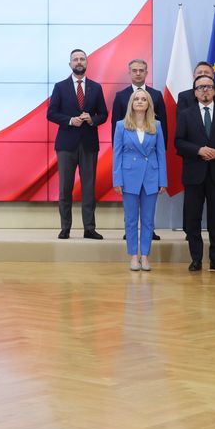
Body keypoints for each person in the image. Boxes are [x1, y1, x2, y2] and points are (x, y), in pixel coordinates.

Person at [174, 77, 215, 272]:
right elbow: (179, 142)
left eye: (209, 87)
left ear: (214, 91)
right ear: (195, 92)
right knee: (193, 219)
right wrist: (198, 150)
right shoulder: (185, 115)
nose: (205, 91)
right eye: (201, 88)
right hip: (194, 174)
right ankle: (196, 259)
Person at [47, 49, 108, 240]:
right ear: (70, 64)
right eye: (75, 59)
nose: (79, 62)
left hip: (89, 144)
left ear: (87, 63)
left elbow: (104, 114)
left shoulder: (96, 88)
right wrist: (69, 120)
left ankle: (89, 228)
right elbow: (51, 113)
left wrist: (92, 119)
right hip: (66, 144)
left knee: (89, 187)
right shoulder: (60, 87)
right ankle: (65, 227)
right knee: (65, 188)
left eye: (82, 59)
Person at [110, 58, 167, 242]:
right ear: (129, 72)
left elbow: (162, 128)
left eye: (141, 70)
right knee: (131, 202)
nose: (138, 73)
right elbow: (115, 130)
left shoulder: (156, 96)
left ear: (146, 72)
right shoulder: (120, 96)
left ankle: (150, 231)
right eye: (134, 70)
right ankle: (131, 231)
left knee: (149, 203)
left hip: (150, 157)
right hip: (130, 159)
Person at [112, 89, 167, 271]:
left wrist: (163, 180)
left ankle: (145, 256)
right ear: (131, 103)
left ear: (149, 104)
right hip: (128, 177)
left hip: (151, 176)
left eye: (144, 99)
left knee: (148, 219)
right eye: (137, 98)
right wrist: (117, 179)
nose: (140, 101)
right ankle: (133, 256)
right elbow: (117, 154)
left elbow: (161, 154)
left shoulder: (156, 125)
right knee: (131, 219)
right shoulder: (121, 125)